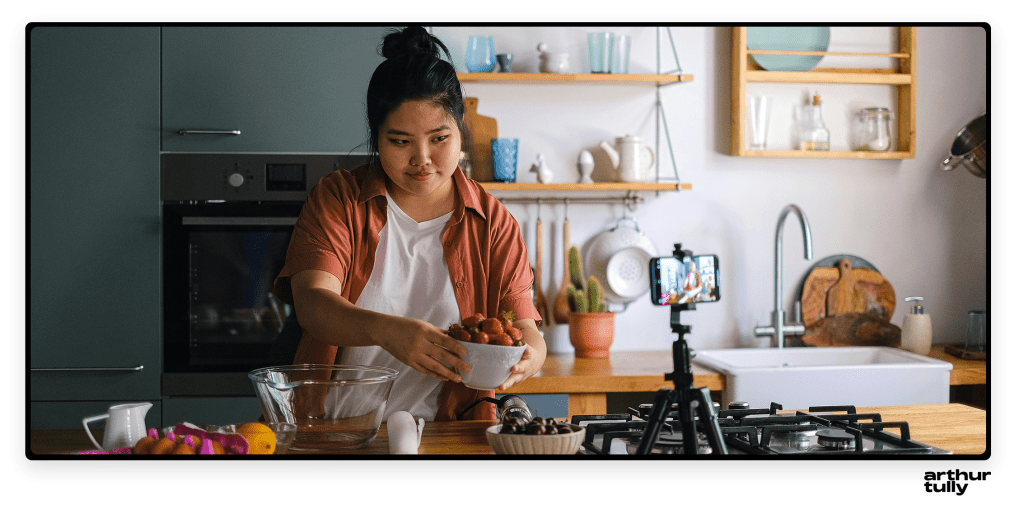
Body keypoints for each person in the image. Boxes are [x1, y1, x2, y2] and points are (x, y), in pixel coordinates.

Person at [271, 26, 544, 422]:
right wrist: (389, 331)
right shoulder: (338, 199)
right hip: (335, 432)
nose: (422, 159)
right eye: (400, 142)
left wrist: (530, 357)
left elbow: (524, 327)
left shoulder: (493, 222)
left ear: (461, 129)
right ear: (376, 136)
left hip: (448, 436)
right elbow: (314, 306)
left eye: (439, 138)